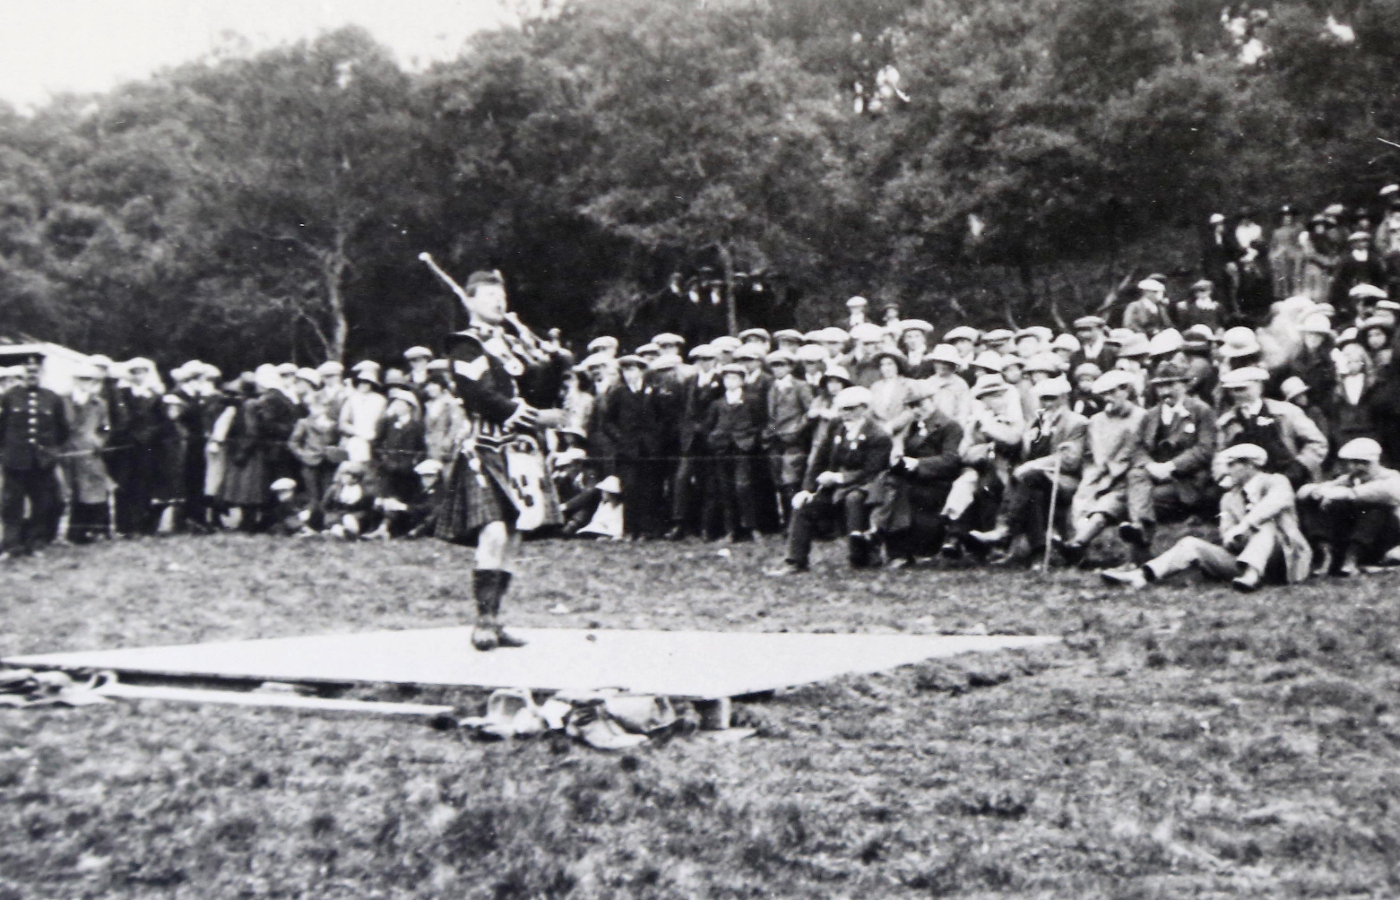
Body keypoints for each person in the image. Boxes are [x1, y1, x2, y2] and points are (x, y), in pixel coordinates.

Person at [434, 269, 567, 651]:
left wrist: (555, 364)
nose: (499, 301)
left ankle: (496, 617)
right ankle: (484, 621)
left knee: (513, 536)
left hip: (518, 454)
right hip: (485, 448)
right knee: (493, 531)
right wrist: (535, 417)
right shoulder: (464, 345)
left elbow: (534, 388)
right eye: (489, 294)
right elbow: (478, 395)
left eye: (501, 295)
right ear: (470, 300)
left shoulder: (511, 344)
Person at [1101, 444, 1311, 592]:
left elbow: (1275, 503)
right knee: (1190, 544)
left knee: (1265, 525)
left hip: (1285, 559)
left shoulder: (1276, 481)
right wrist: (1232, 536)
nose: (1226, 472)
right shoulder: (1229, 498)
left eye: (1231, 465)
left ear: (1249, 464)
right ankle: (1142, 576)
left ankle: (1252, 576)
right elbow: (1227, 533)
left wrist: (1246, 525)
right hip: (1242, 557)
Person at [767, 386, 892, 574]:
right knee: (804, 506)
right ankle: (794, 561)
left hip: (863, 487)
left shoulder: (879, 436)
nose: (845, 414)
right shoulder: (836, 426)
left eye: (850, 409)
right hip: (833, 487)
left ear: (864, 409)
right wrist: (807, 490)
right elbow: (820, 460)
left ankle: (861, 556)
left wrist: (840, 477)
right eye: (842, 409)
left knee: (854, 499)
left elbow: (871, 472)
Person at [966, 376, 1087, 563]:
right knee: (1031, 491)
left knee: (1028, 478)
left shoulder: (1077, 422)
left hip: (1062, 481)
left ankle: (1004, 530)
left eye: (1051, 398)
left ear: (1064, 398)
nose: (1046, 403)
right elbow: (1024, 453)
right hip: (1033, 481)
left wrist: (1032, 465)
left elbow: (1070, 460)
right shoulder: (1036, 423)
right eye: (1043, 399)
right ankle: (1038, 553)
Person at [1121, 362, 1219, 557]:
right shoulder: (1150, 415)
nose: (1165, 391)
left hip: (1186, 481)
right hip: (1154, 476)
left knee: (1137, 500)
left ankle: (1139, 546)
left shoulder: (1201, 411)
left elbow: (1204, 449)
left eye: (1171, 385)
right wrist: (1150, 466)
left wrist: (1172, 466)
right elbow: (1137, 448)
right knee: (1135, 476)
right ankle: (1139, 528)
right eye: (1160, 386)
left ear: (1184, 385)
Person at [1053, 371, 1147, 566]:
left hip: (1124, 478)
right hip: (1096, 475)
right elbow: (1090, 453)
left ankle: (1078, 544)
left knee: (1105, 505)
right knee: (1081, 503)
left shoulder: (1140, 417)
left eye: (1113, 393)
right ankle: (1078, 550)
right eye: (1104, 395)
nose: (1108, 399)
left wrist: (1112, 472)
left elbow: (1134, 451)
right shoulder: (1096, 420)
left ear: (1126, 390)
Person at [869, 380, 964, 567]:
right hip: (915, 479)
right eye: (911, 406)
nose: (916, 409)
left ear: (932, 400)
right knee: (888, 481)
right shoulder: (913, 426)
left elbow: (951, 460)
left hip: (939, 481)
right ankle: (884, 538)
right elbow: (905, 451)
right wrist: (899, 458)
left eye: (919, 404)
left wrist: (919, 463)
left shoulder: (950, 426)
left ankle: (882, 537)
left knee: (897, 489)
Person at [0, 353, 70, 558]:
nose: (32, 373)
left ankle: (36, 543)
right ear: (22, 372)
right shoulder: (9, 396)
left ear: (42, 372)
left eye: (36, 370)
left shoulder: (52, 398)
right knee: (12, 504)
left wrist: (51, 452)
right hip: (15, 461)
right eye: (28, 370)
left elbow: (62, 430)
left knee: (42, 504)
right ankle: (11, 545)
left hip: (42, 462)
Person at [1297, 437, 1400, 575]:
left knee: (1374, 508)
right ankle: (1326, 555)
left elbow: (1385, 492)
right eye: (1352, 463)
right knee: (1324, 504)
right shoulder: (1350, 479)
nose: (1355, 467)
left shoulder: (1391, 477)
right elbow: (1305, 491)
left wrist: (1343, 494)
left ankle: (1351, 559)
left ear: (1375, 462)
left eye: (1362, 463)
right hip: (1359, 537)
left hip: (1388, 538)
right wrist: (1317, 492)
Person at [1216, 366, 1328, 488]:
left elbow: (1318, 442)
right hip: (1248, 484)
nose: (1237, 394)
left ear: (1259, 387)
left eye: (1242, 389)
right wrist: (1224, 476)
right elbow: (1220, 456)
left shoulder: (1286, 412)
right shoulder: (1227, 421)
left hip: (1290, 478)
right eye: (1232, 390)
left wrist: (1300, 466)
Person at [704, 363, 765, 541]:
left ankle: (752, 527)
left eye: (735, 378)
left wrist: (751, 439)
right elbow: (708, 425)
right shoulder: (717, 403)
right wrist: (714, 439)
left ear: (742, 381)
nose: (730, 382)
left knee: (742, 486)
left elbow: (761, 422)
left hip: (743, 448)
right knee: (725, 489)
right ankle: (730, 530)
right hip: (722, 449)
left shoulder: (751, 400)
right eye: (727, 378)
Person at [62, 363, 113, 543]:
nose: (85, 383)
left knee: (91, 493)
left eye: (89, 380)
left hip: (89, 454)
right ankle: (71, 533)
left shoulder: (99, 404)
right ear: (74, 380)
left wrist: (97, 442)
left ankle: (90, 531)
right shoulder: (63, 400)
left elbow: (105, 429)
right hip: (67, 453)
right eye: (81, 379)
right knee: (69, 492)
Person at [762, 350, 814, 523]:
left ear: (790, 367)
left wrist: (797, 429)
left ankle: (796, 520)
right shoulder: (772, 388)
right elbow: (772, 416)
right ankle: (786, 520)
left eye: (782, 365)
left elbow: (810, 412)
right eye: (774, 366)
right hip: (775, 440)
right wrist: (770, 432)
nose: (778, 369)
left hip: (794, 440)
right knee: (778, 480)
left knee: (791, 479)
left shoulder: (800, 386)